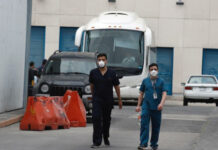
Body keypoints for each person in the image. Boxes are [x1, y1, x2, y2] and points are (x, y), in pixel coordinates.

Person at [89, 53, 122, 148]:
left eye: (103, 59)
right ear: (97, 61)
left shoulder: (112, 73)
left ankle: (105, 136)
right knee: (96, 118)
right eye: (99, 59)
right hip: (97, 100)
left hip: (108, 100)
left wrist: (119, 100)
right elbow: (91, 85)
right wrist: (93, 96)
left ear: (106, 61)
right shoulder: (93, 72)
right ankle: (96, 141)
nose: (101, 61)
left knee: (106, 120)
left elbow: (116, 87)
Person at [136, 63, 167, 150]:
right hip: (146, 106)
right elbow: (141, 93)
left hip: (157, 107)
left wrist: (161, 103)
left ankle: (154, 144)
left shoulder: (161, 81)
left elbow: (164, 93)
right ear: (149, 71)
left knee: (156, 126)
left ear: (157, 70)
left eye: (155, 69)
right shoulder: (145, 81)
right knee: (144, 125)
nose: (153, 71)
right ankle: (143, 143)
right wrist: (138, 105)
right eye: (151, 69)